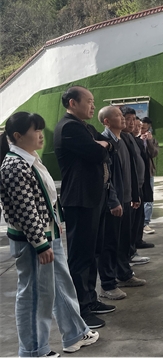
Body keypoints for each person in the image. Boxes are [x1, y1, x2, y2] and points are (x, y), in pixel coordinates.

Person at [0, 112, 100, 356]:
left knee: (61, 285)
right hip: (34, 241)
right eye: (35, 130)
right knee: (35, 296)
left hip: (47, 234)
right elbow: (26, 210)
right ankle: (34, 350)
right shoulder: (15, 165)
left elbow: (45, 198)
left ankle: (75, 333)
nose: (40, 134)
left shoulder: (30, 158)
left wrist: (54, 224)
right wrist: (40, 244)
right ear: (17, 136)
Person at [54, 86, 115, 329]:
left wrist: (103, 145)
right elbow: (97, 154)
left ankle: (90, 299)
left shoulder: (85, 127)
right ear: (72, 103)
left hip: (94, 198)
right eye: (89, 101)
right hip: (80, 200)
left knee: (93, 252)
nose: (93, 105)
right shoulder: (69, 128)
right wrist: (101, 146)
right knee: (80, 256)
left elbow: (110, 146)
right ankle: (80, 308)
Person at [96, 106, 130, 300]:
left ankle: (122, 274)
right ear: (106, 121)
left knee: (120, 241)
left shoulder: (121, 140)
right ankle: (107, 284)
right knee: (108, 243)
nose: (122, 117)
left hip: (124, 199)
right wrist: (113, 200)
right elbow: (106, 176)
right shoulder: (105, 143)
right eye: (117, 115)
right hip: (112, 202)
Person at [120, 107, 151, 267]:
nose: (132, 123)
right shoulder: (119, 139)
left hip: (137, 186)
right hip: (127, 190)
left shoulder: (131, 138)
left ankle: (132, 250)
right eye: (128, 119)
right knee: (128, 226)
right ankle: (128, 255)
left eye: (134, 119)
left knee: (135, 222)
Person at [140, 117, 159, 234]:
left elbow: (153, 153)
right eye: (140, 127)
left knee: (148, 197)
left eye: (144, 128)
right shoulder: (132, 138)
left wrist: (149, 141)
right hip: (137, 172)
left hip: (148, 171)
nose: (142, 130)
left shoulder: (151, 139)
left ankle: (145, 223)